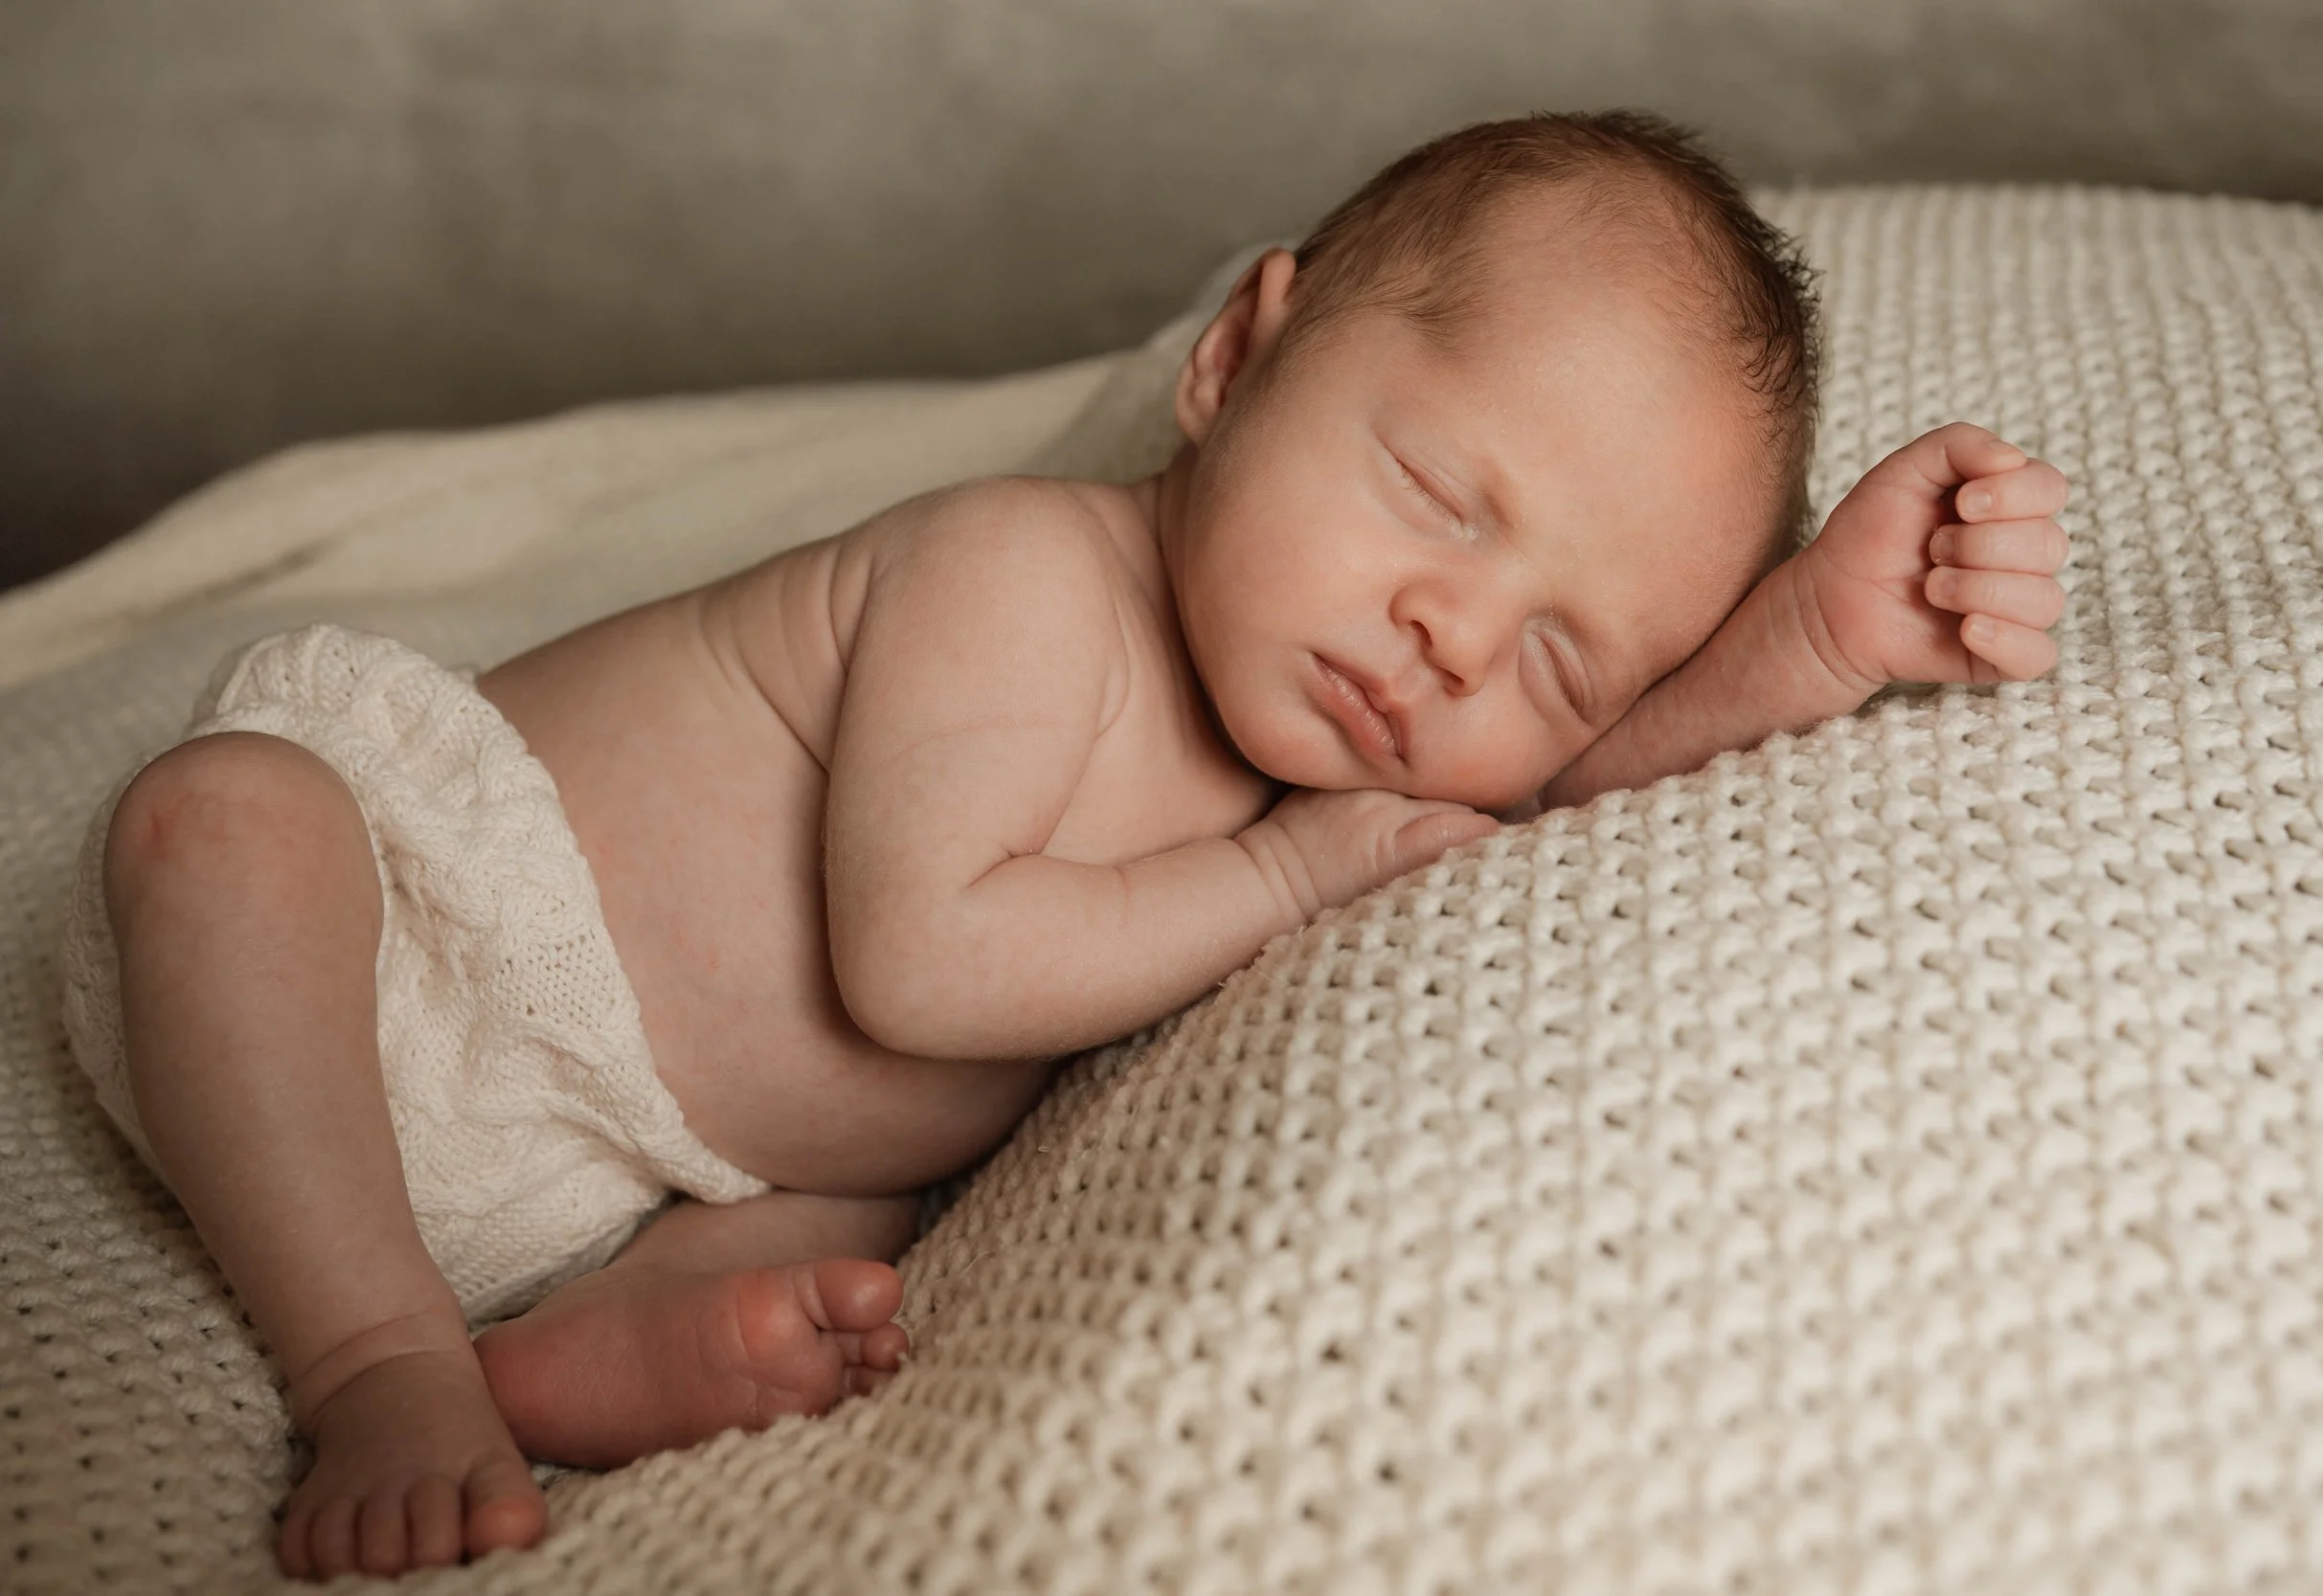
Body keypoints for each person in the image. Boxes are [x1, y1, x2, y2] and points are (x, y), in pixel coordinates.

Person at [59, 110, 2068, 1581]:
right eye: (1435, 491)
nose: (1451, 633)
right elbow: (919, 960)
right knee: (223, 824)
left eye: (1556, 647)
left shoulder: (1346, 755)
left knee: (857, 1235)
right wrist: (1282, 880)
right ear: (1235, 356)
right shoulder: (1021, 572)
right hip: (392, 958)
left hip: (620, 1165)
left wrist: (1816, 637)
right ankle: (382, 1353)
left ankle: (557, 1358)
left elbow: (1552, 791)